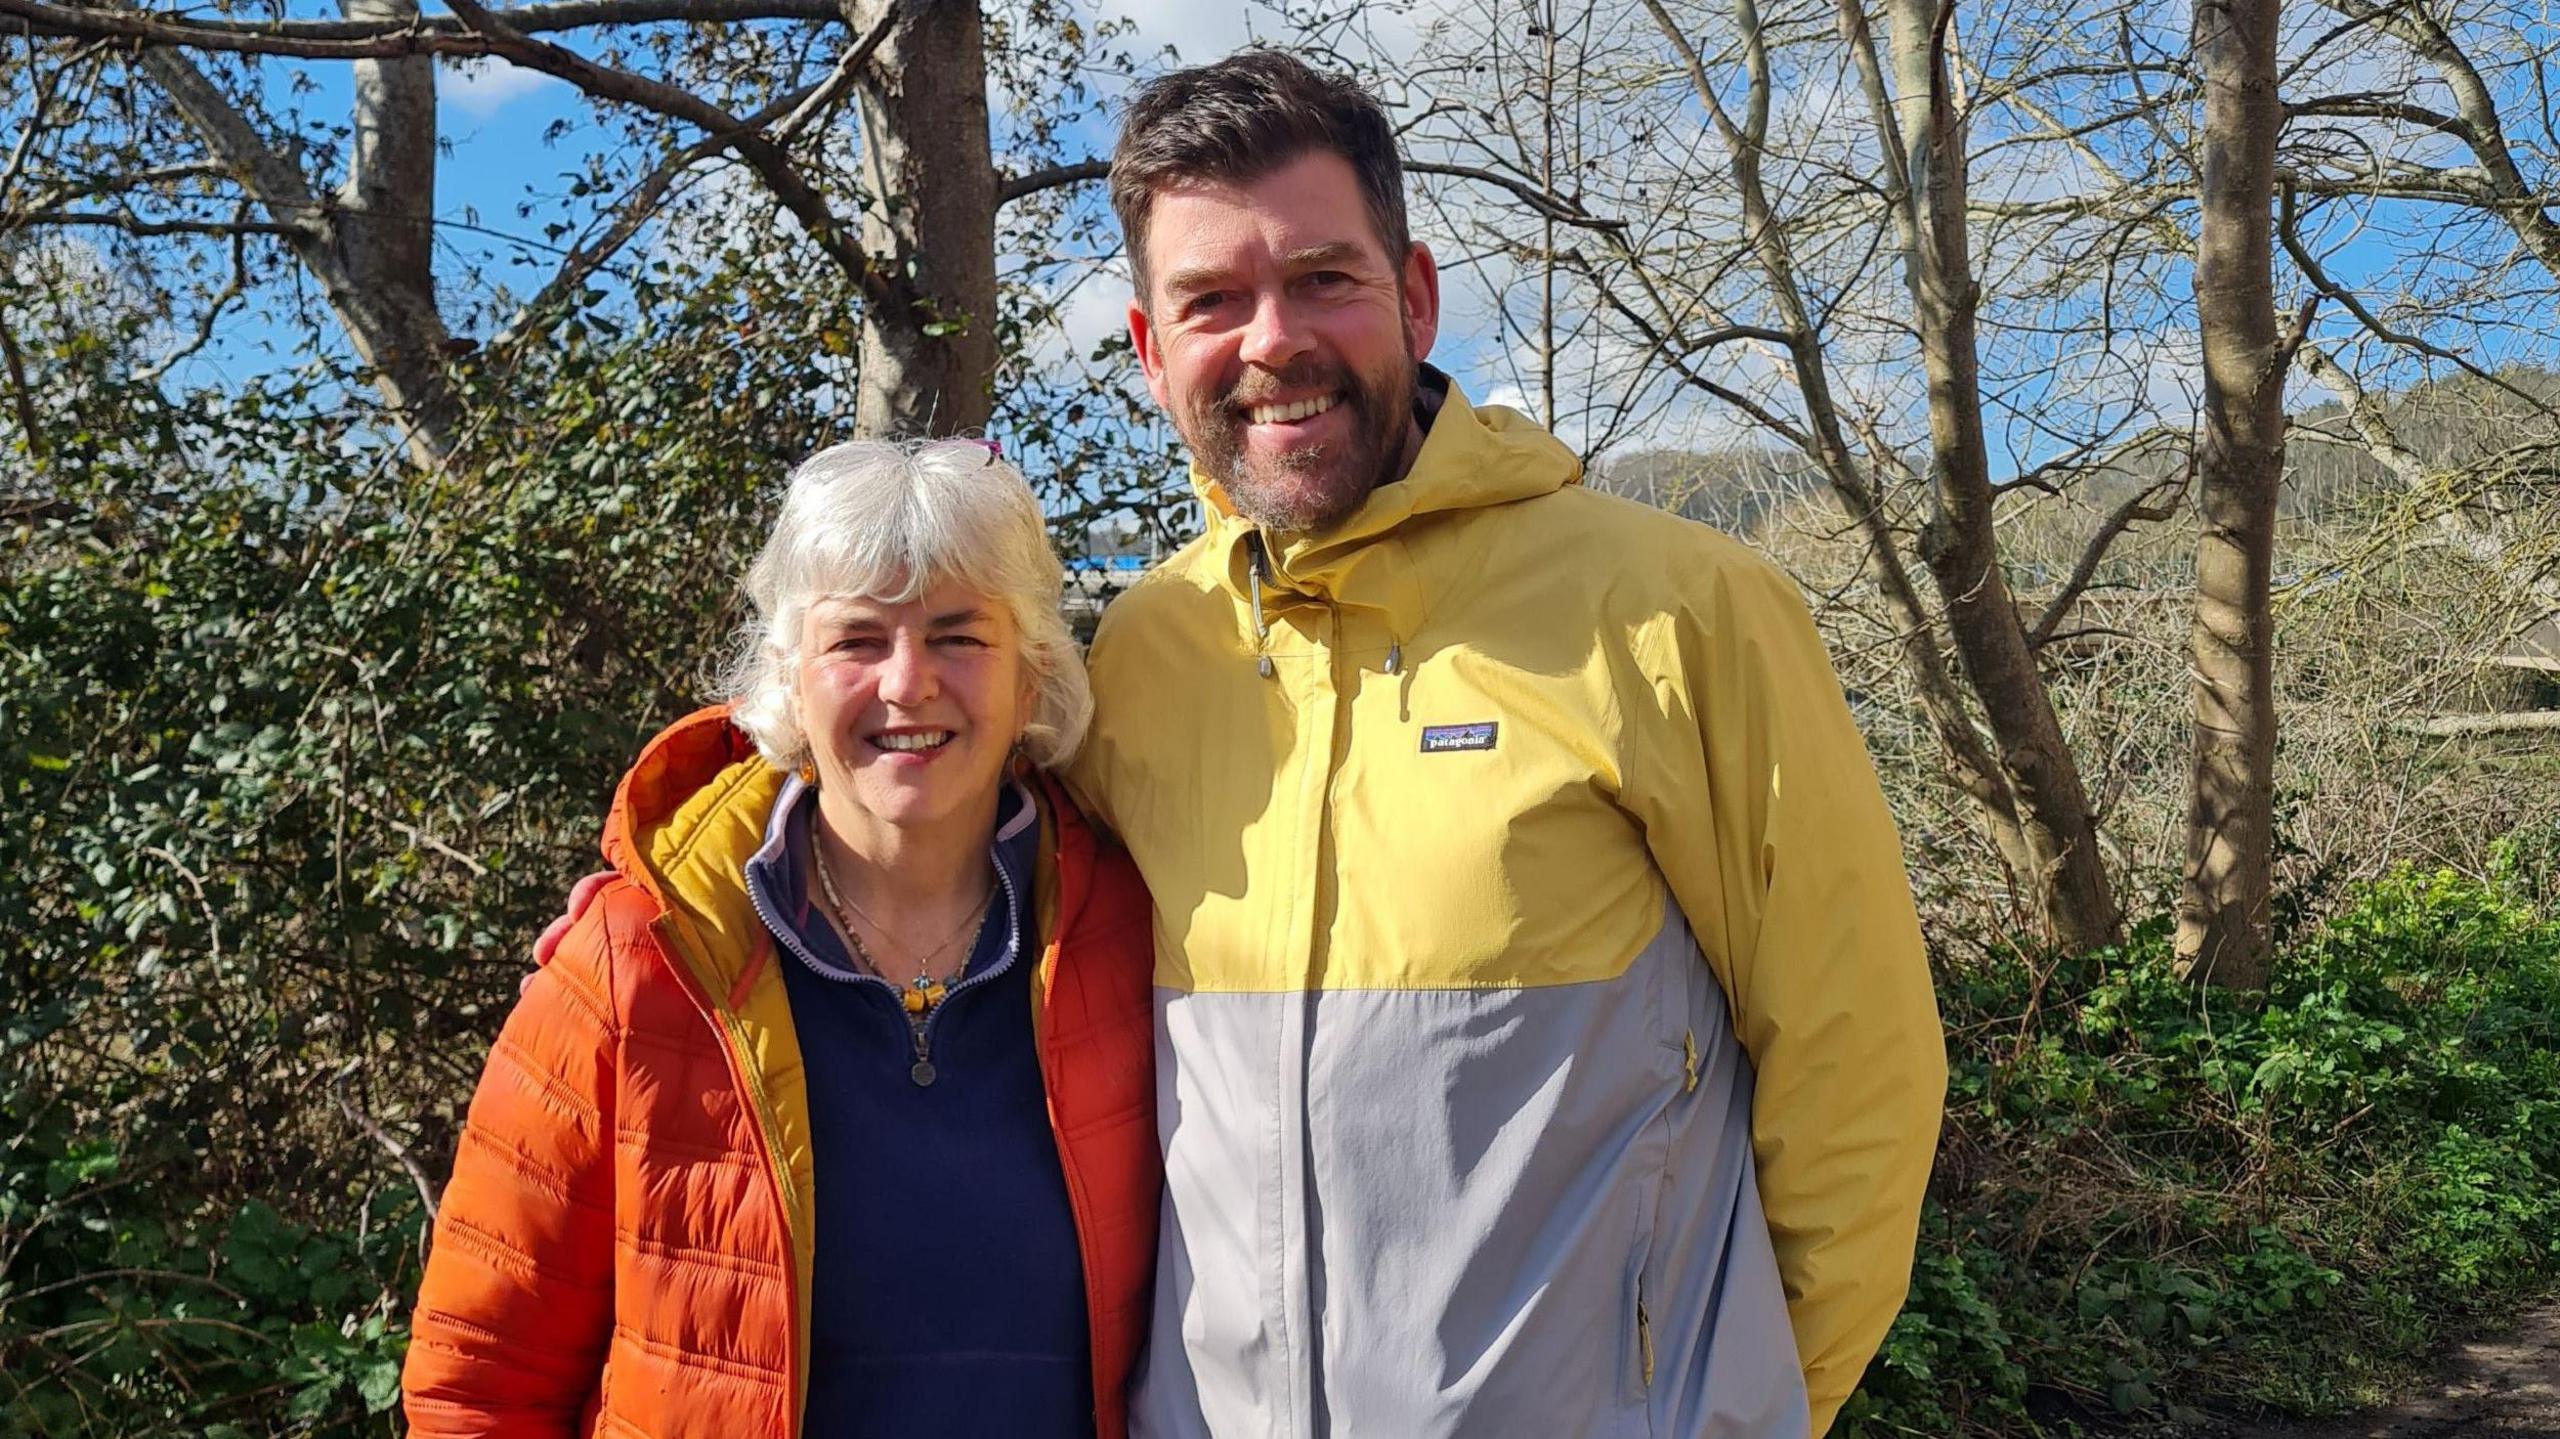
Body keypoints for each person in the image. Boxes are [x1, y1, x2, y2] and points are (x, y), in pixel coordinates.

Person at [1063, 52, 1947, 1437]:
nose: (1272, 339)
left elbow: (1861, 1073)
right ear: (1148, 347)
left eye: (1324, 278)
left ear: (1414, 296)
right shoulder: (1141, 656)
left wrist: (1740, 1411)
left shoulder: (1681, 610)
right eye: (1212, 301)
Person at [400, 440, 1160, 1438]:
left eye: (958, 635)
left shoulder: (1138, 936)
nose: (905, 683)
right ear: (788, 680)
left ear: (1032, 676)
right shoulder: (640, 962)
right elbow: (481, 1381)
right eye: (856, 639)